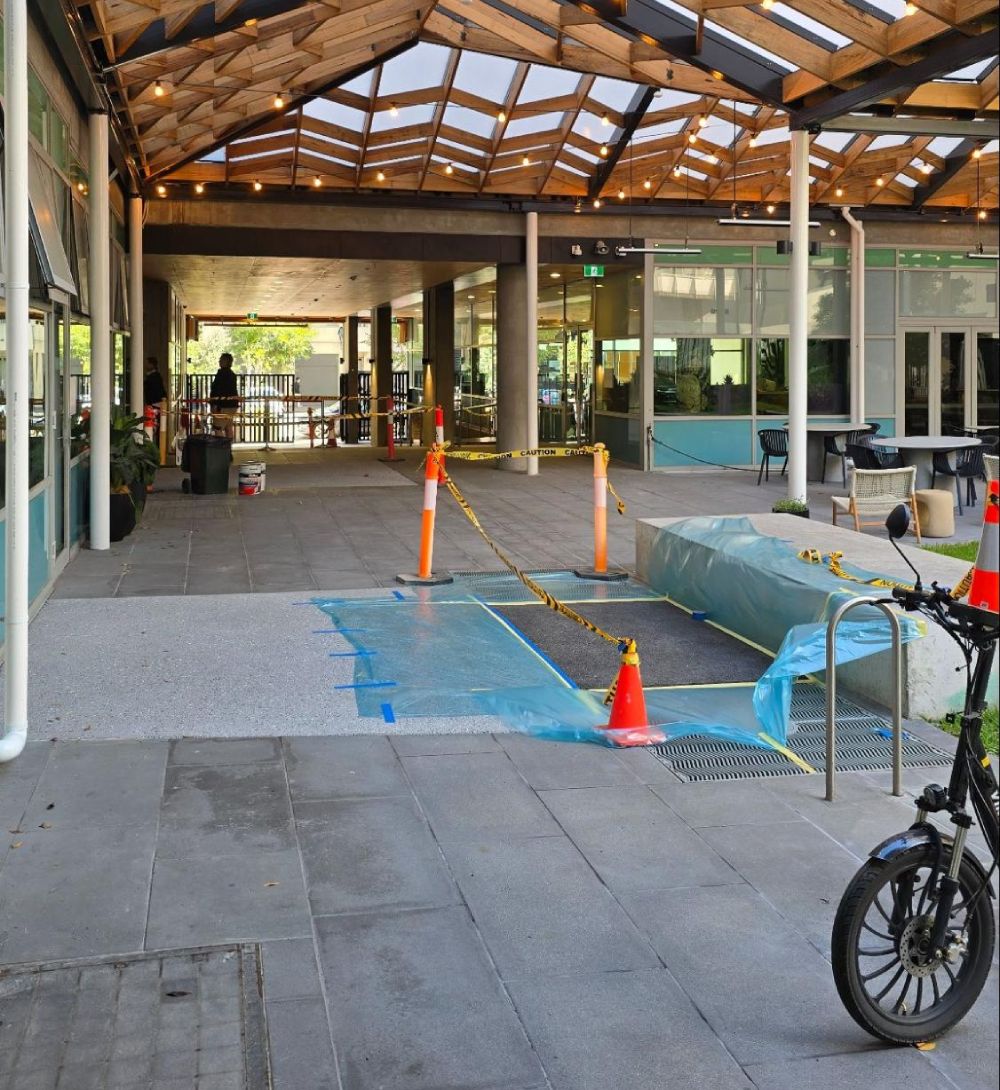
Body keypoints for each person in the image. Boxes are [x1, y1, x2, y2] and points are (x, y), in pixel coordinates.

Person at [210, 352, 240, 440]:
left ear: (225, 361)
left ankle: (222, 447)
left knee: (217, 428)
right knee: (228, 427)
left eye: (221, 359)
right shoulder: (232, 374)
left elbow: (218, 391)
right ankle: (228, 449)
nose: (219, 361)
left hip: (222, 406)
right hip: (232, 405)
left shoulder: (221, 374)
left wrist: (215, 404)